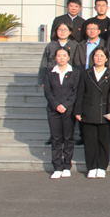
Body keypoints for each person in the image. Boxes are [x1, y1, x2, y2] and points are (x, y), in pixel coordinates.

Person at [74, 48, 110, 179]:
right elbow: (80, 93)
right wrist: (78, 110)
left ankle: (102, 167)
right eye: (96, 55)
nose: (99, 58)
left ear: (106, 58)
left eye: (102, 55)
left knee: (103, 142)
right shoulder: (86, 74)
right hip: (88, 110)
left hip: (105, 111)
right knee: (90, 142)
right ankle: (91, 167)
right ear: (92, 58)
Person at [44, 47, 80, 179]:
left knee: (68, 138)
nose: (62, 58)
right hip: (53, 110)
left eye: (64, 55)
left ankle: (67, 165)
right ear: (55, 58)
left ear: (69, 58)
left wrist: (65, 105)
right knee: (56, 138)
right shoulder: (50, 72)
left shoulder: (74, 72)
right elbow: (47, 91)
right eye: (59, 55)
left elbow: (75, 91)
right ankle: (57, 167)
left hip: (68, 110)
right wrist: (56, 105)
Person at [38, 22, 81, 86]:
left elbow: (78, 63)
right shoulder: (51, 45)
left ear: (70, 32)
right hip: (53, 77)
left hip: (70, 78)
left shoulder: (75, 45)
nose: (62, 32)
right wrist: (42, 80)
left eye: (65, 30)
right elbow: (44, 62)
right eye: (60, 29)